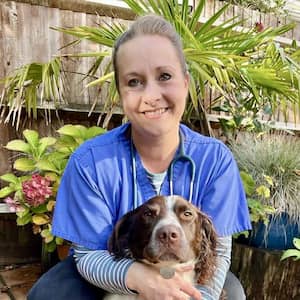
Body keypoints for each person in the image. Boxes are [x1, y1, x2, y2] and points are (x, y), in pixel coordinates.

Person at [28, 14, 251, 300]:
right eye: (134, 81)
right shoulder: (90, 162)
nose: (151, 95)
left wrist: (200, 297)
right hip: (109, 265)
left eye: (165, 76)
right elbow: (87, 255)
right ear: (119, 94)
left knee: (230, 293)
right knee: (50, 294)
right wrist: (140, 279)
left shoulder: (215, 160)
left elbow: (218, 251)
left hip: (187, 271)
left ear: (185, 83)